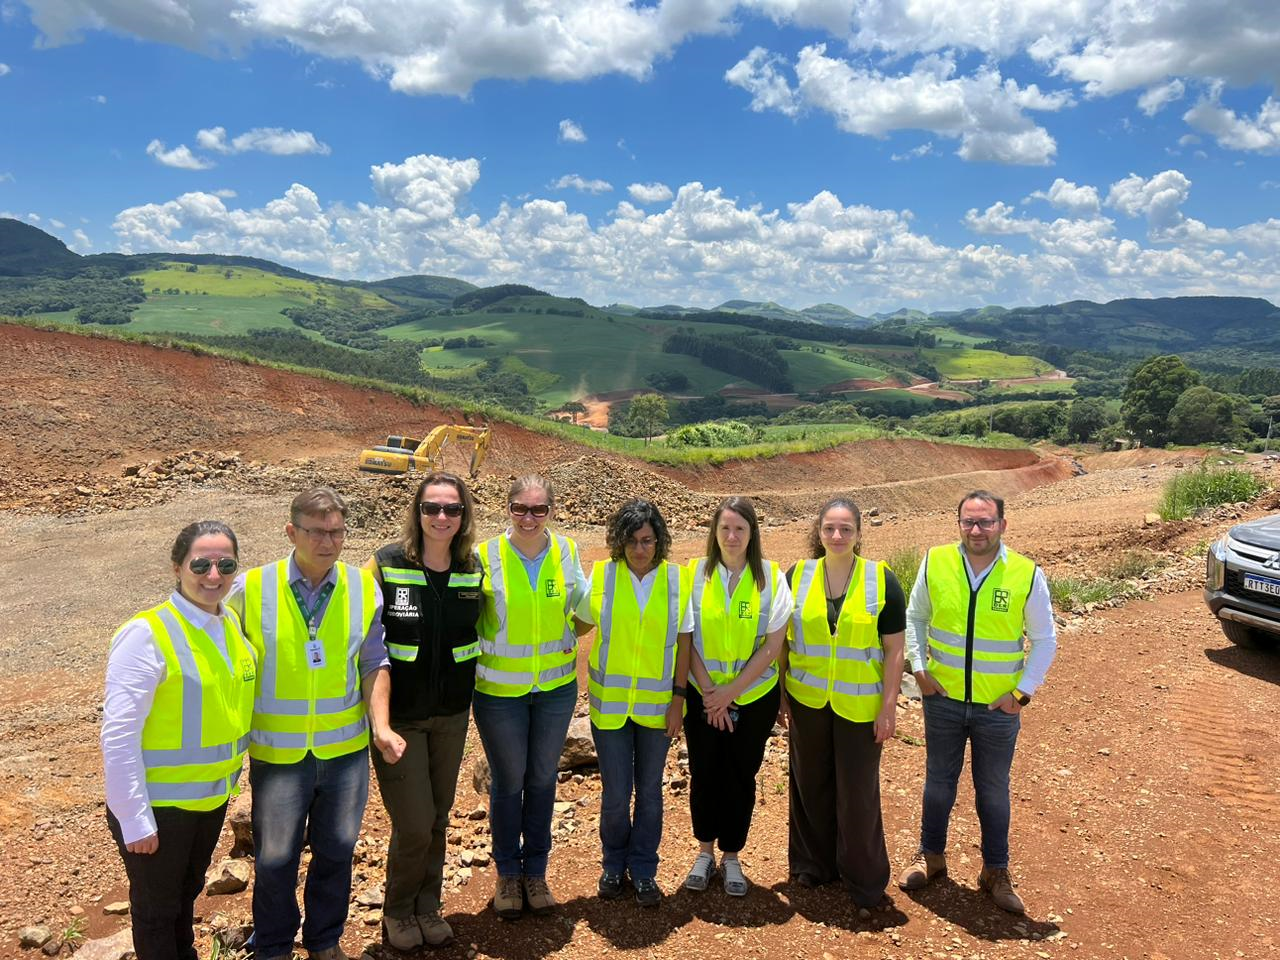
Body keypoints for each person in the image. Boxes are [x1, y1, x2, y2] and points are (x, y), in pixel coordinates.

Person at [228, 487, 397, 960]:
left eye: (337, 532)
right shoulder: (250, 589)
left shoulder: (362, 587)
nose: (328, 542)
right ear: (291, 532)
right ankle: (274, 946)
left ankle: (324, 940)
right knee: (275, 858)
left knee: (337, 852)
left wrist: (381, 726)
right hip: (279, 755)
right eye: (317, 532)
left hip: (344, 753)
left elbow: (374, 662)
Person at [899, 490, 1057, 914]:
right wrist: (919, 669)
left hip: (996, 709)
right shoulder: (935, 562)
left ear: (1002, 525)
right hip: (943, 699)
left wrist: (1021, 693)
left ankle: (995, 870)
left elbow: (1045, 640)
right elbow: (915, 617)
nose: (976, 529)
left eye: (986, 521)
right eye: (969, 521)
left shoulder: (1025, 573)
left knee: (993, 791)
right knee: (938, 784)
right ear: (959, 524)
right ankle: (931, 855)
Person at [102, 520, 255, 960]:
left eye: (226, 565)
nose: (214, 575)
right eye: (200, 564)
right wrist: (134, 818)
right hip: (159, 806)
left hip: (210, 800)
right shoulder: (147, 634)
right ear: (177, 568)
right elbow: (119, 733)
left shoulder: (230, 625)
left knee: (185, 895)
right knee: (157, 911)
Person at [366, 472, 482, 950]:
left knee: (437, 817)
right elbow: (363, 641)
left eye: (451, 509)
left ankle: (427, 906)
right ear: (417, 512)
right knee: (413, 823)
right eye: (431, 507)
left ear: (463, 515)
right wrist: (377, 721)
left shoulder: (473, 568)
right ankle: (398, 911)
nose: (441, 517)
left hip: (451, 715)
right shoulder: (387, 564)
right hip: (402, 719)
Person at [473, 475, 589, 920]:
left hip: (555, 690)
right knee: (509, 782)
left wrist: (567, 638)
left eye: (539, 509)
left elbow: (584, 607)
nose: (529, 518)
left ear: (551, 511)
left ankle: (536, 873)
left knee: (542, 779)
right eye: (520, 508)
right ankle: (508, 874)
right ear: (507, 508)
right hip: (500, 693)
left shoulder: (566, 551)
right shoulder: (485, 556)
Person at [780, 497, 906, 907]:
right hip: (807, 701)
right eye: (830, 528)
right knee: (809, 784)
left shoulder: (881, 580)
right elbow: (781, 641)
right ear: (818, 532)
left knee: (857, 793)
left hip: (860, 706)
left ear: (858, 534)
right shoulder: (796, 576)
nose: (837, 536)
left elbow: (895, 650)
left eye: (846, 529)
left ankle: (864, 879)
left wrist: (888, 707)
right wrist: (781, 693)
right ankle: (812, 865)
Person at [576, 499, 693, 907]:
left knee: (649, 792)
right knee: (615, 793)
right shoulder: (603, 576)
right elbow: (578, 624)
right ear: (619, 543)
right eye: (631, 541)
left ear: (659, 540)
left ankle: (643, 870)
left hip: (658, 708)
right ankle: (613, 864)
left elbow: (684, 644)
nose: (639, 549)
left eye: (647, 540)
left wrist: (679, 699)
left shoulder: (677, 581)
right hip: (609, 707)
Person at [683, 496, 793, 897]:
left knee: (740, 775)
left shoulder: (771, 578)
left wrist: (730, 692)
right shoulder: (693, 575)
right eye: (725, 528)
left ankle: (731, 855)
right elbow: (685, 638)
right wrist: (711, 694)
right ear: (714, 532)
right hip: (703, 695)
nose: (732, 536)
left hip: (753, 697)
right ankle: (704, 851)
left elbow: (772, 646)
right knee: (704, 772)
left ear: (752, 533)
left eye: (740, 529)